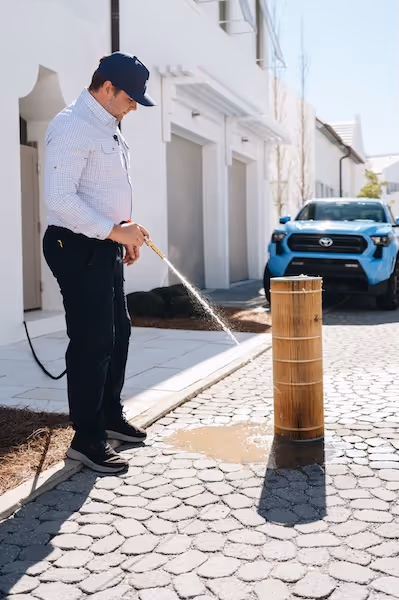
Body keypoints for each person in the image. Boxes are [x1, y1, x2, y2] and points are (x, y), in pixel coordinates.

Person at [43, 52, 156, 473]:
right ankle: (86, 439)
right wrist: (113, 232)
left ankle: (109, 416)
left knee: (118, 334)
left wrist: (125, 229)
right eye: (131, 98)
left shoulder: (107, 125)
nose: (134, 106)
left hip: (102, 243)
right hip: (73, 246)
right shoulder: (73, 125)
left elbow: (99, 189)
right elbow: (60, 200)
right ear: (107, 87)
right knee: (92, 342)